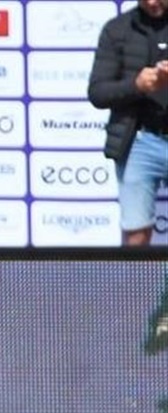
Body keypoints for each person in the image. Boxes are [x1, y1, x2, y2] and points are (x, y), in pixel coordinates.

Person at [87, 0, 168, 246]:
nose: (152, 2)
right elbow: (98, 92)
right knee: (136, 232)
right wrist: (137, 85)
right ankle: (138, 274)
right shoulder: (117, 28)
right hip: (139, 143)